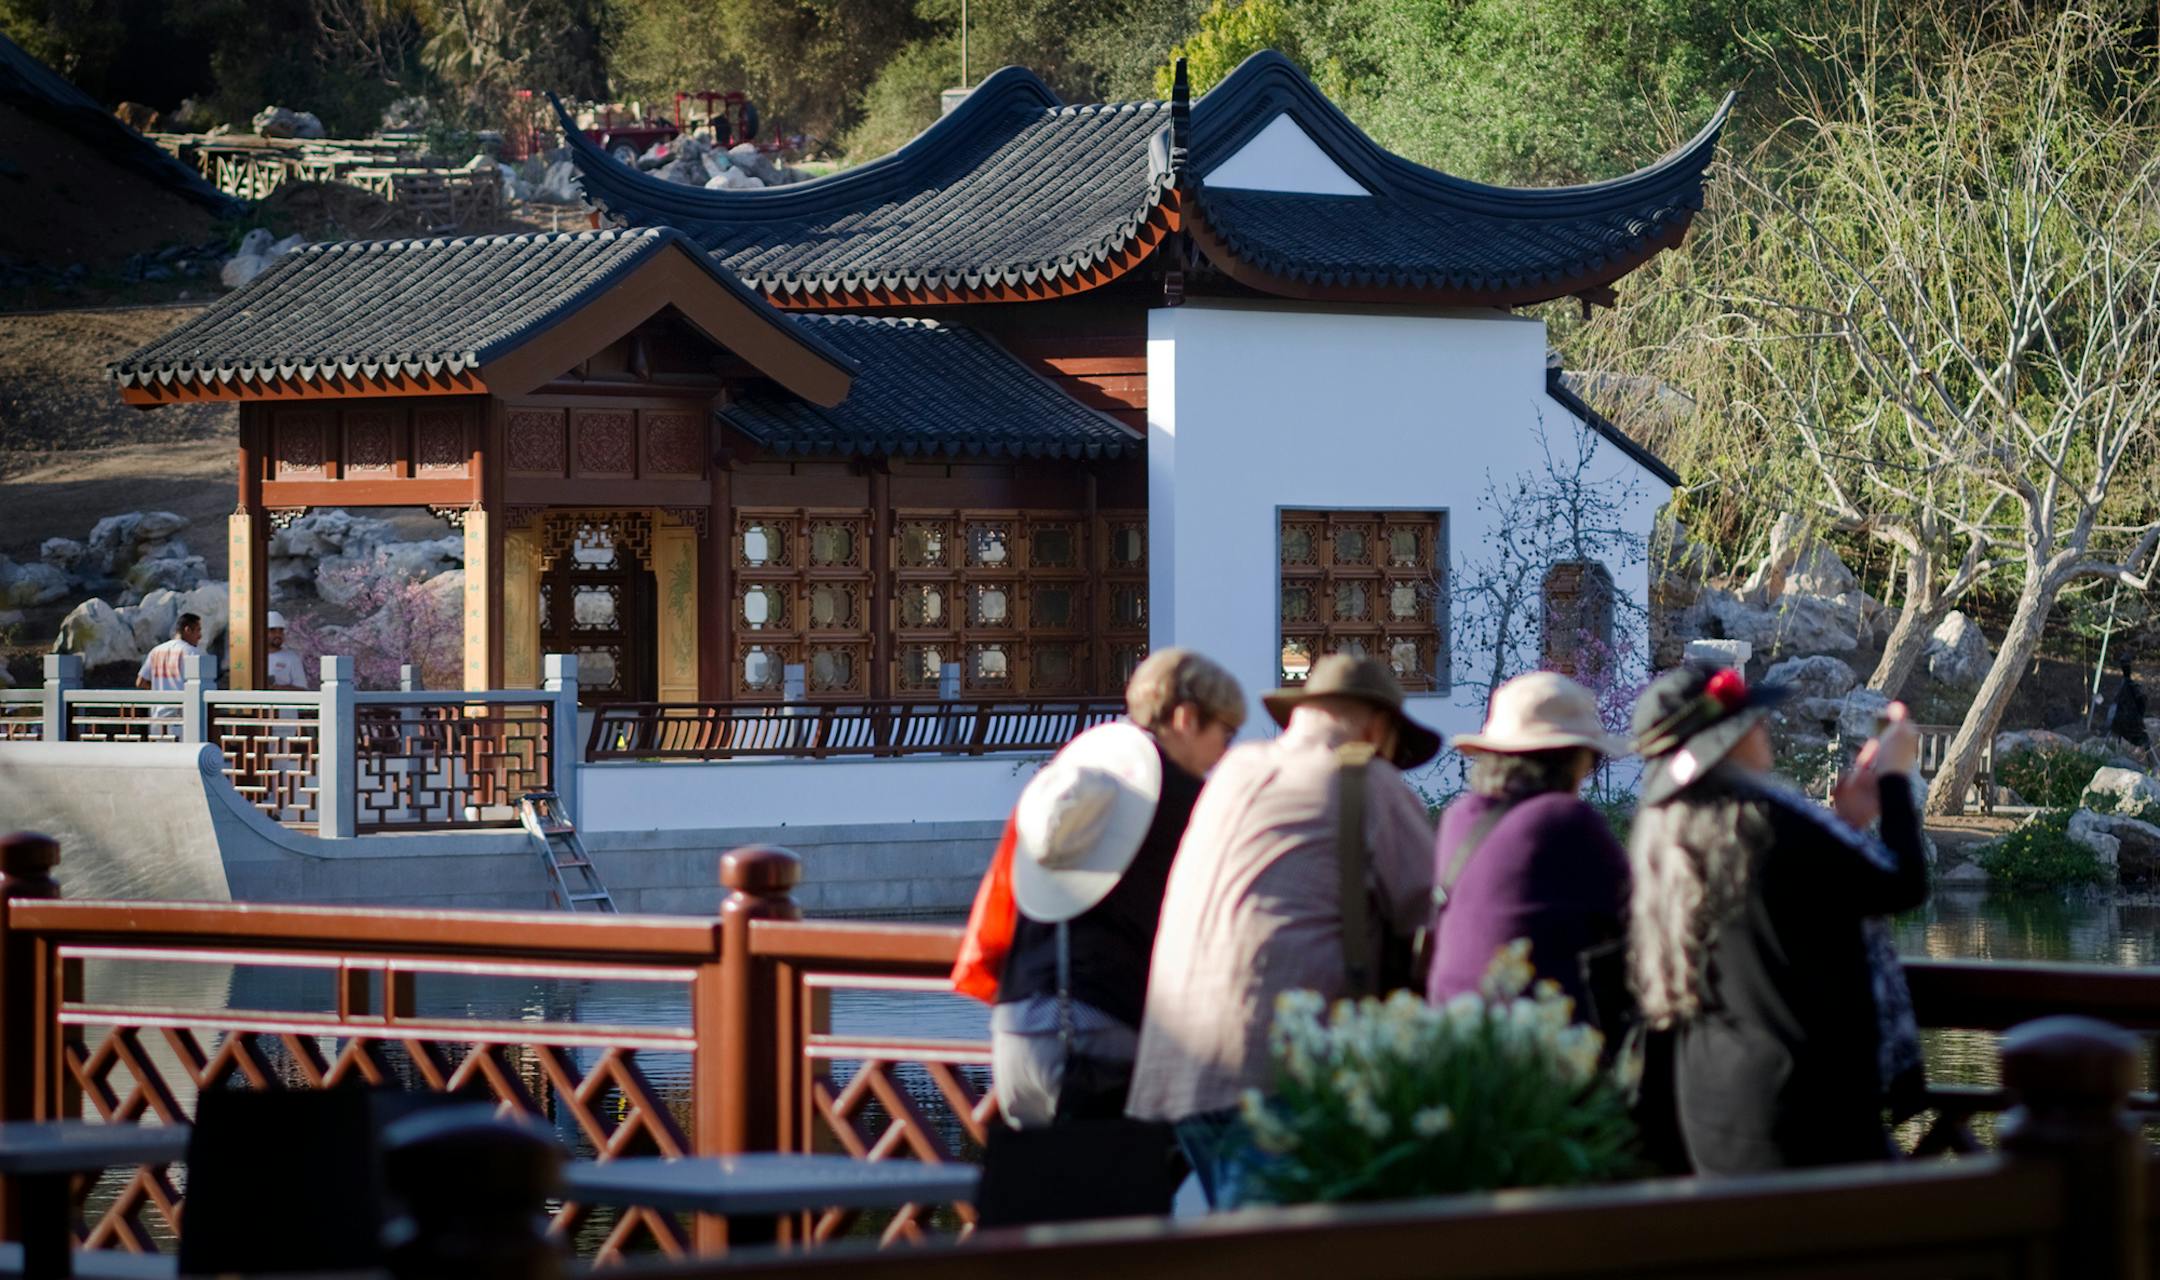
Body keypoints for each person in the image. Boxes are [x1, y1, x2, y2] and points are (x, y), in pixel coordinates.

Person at [1126, 654, 1440, 1209]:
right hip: (1273, 1073)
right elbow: (1435, 919)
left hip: (1174, 1069)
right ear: (1377, 727)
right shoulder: (1368, 781)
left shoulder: (1234, 770)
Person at [1626, 663, 1927, 1174]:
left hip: (1708, 1115)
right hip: (1809, 1122)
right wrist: (1897, 777)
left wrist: (1846, 826)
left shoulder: (1666, 836)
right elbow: (1903, 883)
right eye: (1749, 718)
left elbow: (1781, 894)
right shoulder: (1766, 817)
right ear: (1726, 741)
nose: (1762, 722)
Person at [993, 648, 1246, 1128]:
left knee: (1043, 1197)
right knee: (1123, 1195)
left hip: (1017, 1024)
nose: (1225, 753)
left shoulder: (1081, 777)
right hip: (1102, 1031)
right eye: (1225, 734)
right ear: (1187, 718)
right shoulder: (1184, 798)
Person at [1426, 671, 1633, 1019]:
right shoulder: (1567, 820)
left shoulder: (1459, 817)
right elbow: (1631, 913)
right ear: (1573, 760)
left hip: (1452, 1027)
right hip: (1536, 1035)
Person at [137, 613, 208, 733]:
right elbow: (204, 687)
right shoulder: (194, 653)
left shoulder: (156, 651)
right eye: (198, 630)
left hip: (157, 719)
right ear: (187, 630)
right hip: (183, 719)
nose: (200, 636)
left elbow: (140, 682)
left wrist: (160, 689)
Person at [2111, 659, 2149, 750]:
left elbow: (2141, 702)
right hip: (2124, 723)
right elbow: (2142, 702)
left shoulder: (2128, 687)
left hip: (2124, 723)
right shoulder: (2128, 686)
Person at [264, 611, 308, 690]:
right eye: (272, 630)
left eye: (280, 631)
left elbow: (302, 689)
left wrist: (276, 688)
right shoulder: (251, 657)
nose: (278, 634)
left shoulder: (292, 658)